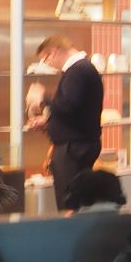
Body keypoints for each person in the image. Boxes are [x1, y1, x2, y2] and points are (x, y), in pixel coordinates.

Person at [27, 37, 104, 210]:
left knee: (69, 203)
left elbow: (69, 105)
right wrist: (48, 122)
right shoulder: (82, 69)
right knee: (76, 201)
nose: (47, 64)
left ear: (54, 52)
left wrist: (43, 98)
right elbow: (76, 112)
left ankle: (72, 235)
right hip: (80, 144)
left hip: (73, 148)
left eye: (45, 59)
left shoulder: (78, 71)